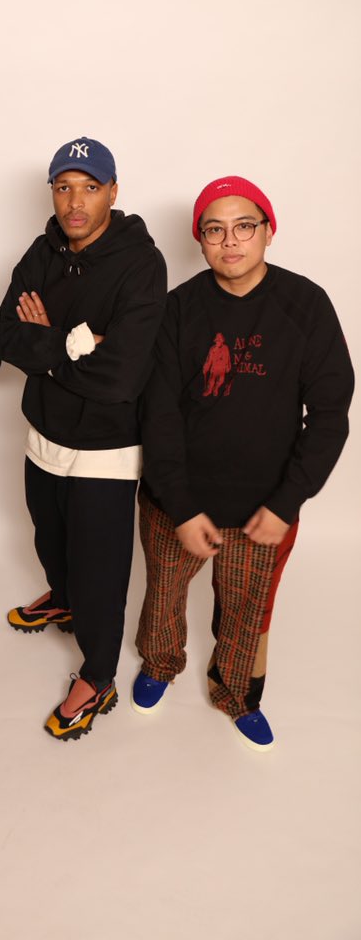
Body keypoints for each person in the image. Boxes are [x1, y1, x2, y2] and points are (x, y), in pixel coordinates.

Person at [132, 175, 354, 750]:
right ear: (200, 240)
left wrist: (287, 502)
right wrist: (180, 507)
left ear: (268, 231)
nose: (230, 241)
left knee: (245, 612)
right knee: (163, 596)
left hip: (261, 508)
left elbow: (330, 414)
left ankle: (235, 693)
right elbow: (157, 416)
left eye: (244, 226)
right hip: (176, 501)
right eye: (215, 230)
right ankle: (160, 663)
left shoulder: (305, 305)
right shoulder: (177, 309)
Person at [0, 137, 167, 741]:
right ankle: (63, 599)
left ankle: (98, 676)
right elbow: (5, 333)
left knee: (100, 569)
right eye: (64, 187)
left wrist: (47, 342)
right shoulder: (42, 249)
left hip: (106, 446)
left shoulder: (141, 264)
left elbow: (122, 377)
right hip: (44, 431)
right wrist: (77, 343)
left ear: (113, 192)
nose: (75, 202)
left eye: (90, 188)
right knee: (50, 535)